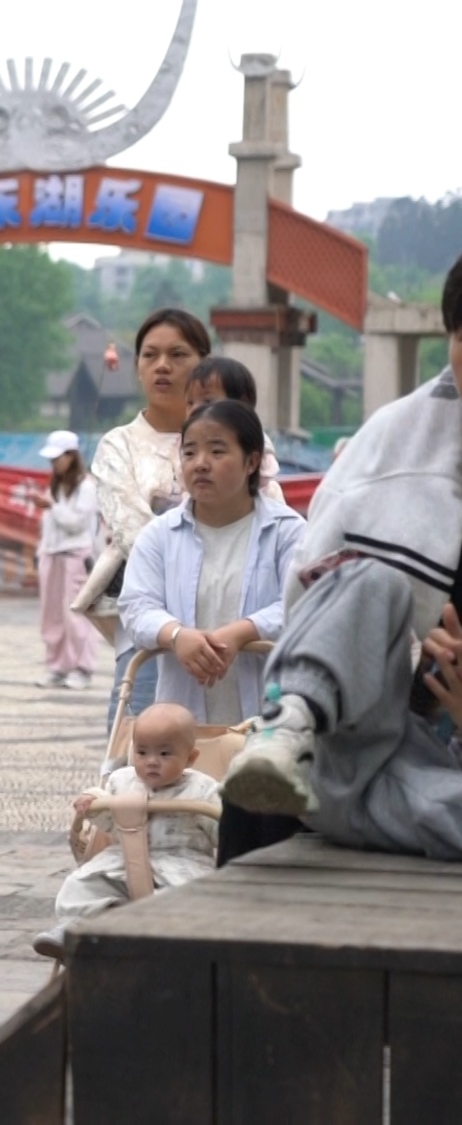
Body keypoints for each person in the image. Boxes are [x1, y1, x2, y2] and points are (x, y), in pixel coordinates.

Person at [221, 255, 462, 860]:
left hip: (432, 785)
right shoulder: (391, 444)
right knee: (367, 580)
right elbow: (315, 603)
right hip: (361, 740)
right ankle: (286, 728)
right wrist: (411, 656)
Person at [118, 399, 304, 862]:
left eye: (217, 451)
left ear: (252, 461)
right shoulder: (160, 535)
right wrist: (175, 635)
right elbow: (135, 605)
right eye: (190, 452)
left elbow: (305, 603)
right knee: (187, 843)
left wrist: (244, 631)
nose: (200, 463)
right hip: (184, 729)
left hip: (268, 721)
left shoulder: (289, 532)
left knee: (262, 846)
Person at [89, 309, 208, 731]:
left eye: (178, 354)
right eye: (150, 355)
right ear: (137, 367)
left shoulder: (244, 438)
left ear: (204, 363)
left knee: (228, 754)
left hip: (229, 628)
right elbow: (136, 537)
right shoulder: (118, 446)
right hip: (149, 628)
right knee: (136, 755)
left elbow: (265, 518)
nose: (162, 366)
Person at [33, 703, 219, 957]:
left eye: (164, 754)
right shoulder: (122, 780)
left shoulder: (203, 789)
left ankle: (152, 930)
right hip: (121, 862)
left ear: (190, 758)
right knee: (80, 885)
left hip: (182, 863)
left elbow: (222, 829)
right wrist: (93, 802)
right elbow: (108, 821)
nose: (151, 762)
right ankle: (79, 927)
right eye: (142, 752)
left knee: (193, 898)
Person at [33, 430, 100, 690]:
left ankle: (83, 668)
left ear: (72, 456)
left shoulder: (86, 487)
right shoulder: (56, 486)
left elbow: (76, 524)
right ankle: (57, 666)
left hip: (76, 556)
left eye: (58, 458)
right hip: (51, 555)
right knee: (51, 615)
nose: (54, 463)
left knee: (75, 614)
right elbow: (49, 526)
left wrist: (52, 507)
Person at [185, 357, 284, 498]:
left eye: (207, 401)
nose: (195, 409)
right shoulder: (183, 441)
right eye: (190, 402)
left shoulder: (254, 442)